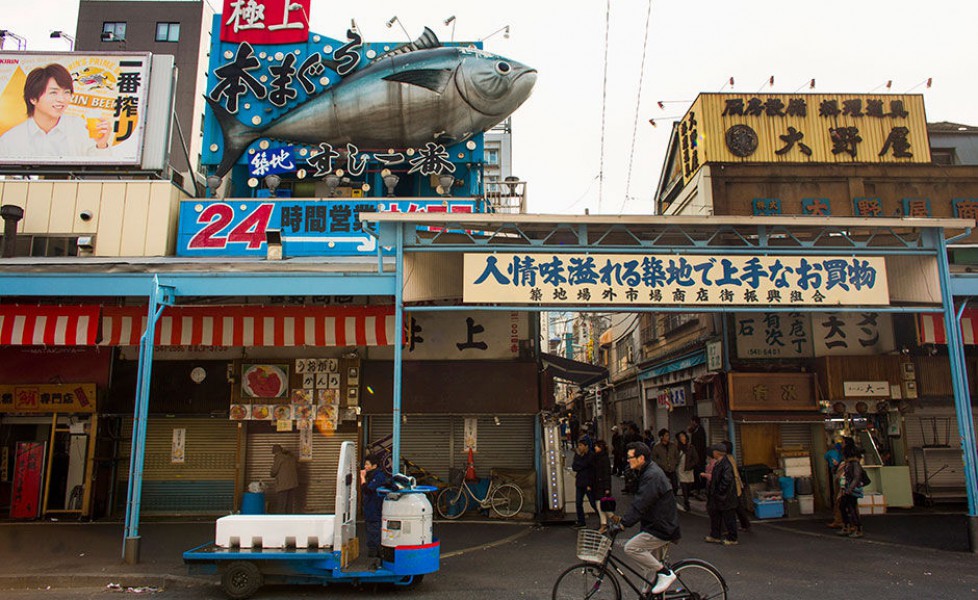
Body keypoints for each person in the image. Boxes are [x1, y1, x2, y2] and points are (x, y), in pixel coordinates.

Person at [608, 442, 681, 597]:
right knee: (649, 570)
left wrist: (623, 524)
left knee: (632, 548)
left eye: (630, 457)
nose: (627, 460)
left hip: (661, 527)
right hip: (656, 524)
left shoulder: (652, 476)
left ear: (640, 458)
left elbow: (641, 504)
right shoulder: (646, 471)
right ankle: (650, 591)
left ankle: (666, 574)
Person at [0, 63, 112, 159]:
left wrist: (101, 144)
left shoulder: (80, 127)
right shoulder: (11, 139)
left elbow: (100, 173)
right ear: (33, 98)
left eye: (66, 92)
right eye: (53, 93)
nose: (61, 99)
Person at [704, 444, 740, 546]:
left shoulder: (726, 465)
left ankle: (732, 538)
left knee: (729, 518)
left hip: (726, 497)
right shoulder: (719, 463)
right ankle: (715, 535)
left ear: (716, 452)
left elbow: (726, 481)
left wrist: (718, 491)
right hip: (719, 497)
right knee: (715, 517)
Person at [360, 453, 389, 557]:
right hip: (370, 508)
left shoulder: (378, 476)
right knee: (371, 529)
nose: (365, 466)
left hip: (375, 509)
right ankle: (374, 552)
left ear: (374, 466)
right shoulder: (372, 475)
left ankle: (376, 553)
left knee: (375, 530)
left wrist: (362, 478)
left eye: (367, 464)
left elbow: (367, 490)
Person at [838, 444, 866, 538]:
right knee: (845, 506)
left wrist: (850, 489)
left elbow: (856, 477)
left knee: (850, 507)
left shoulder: (854, 464)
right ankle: (849, 526)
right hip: (849, 488)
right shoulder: (850, 464)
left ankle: (856, 528)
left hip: (852, 489)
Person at [571, 437, 597, 529]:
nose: (579, 447)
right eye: (579, 445)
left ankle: (602, 519)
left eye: (581, 445)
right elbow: (574, 467)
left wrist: (580, 464)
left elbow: (588, 466)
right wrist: (580, 463)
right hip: (580, 482)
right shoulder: (577, 455)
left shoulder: (591, 455)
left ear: (586, 446)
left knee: (593, 502)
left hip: (588, 483)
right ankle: (581, 521)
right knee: (578, 503)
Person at [270, 444, 299, 513]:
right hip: (292, 484)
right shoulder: (291, 458)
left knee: (281, 505)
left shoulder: (279, 457)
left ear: (274, 451)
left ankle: (280, 521)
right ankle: (289, 520)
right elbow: (297, 466)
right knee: (289, 505)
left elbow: (274, 471)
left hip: (283, 485)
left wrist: (271, 473)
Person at [593, 439, 613, 533]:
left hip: (601, 485)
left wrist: (607, 487)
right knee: (602, 505)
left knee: (600, 505)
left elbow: (606, 474)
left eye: (596, 446)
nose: (595, 448)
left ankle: (605, 524)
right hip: (599, 485)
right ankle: (613, 520)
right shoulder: (599, 457)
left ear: (600, 448)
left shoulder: (603, 459)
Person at [675, 431, 699, 511]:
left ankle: (687, 497)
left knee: (689, 485)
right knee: (683, 484)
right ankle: (686, 501)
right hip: (680, 468)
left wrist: (691, 465)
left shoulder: (690, 447)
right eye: (680, 436)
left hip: (689, 468)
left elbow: (696, 458)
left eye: (683, 436)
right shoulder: (677, 447)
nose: (682, 438)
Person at [824, 438, 845, 528]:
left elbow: (826, 457)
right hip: (842, 479)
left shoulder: (831, 453)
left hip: (838, 476)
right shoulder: (841, 455)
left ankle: (839, 520)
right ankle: (844, 521)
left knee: (839, 499)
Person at [687, 416, 708, 495]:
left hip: (700, 457)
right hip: (696, 457)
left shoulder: (700, 430)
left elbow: (700, 445)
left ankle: (701, 488)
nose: (691, 424)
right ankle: (696, 487)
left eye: (692, 422)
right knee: (696, 472)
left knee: (700, 472)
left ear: (695, 422)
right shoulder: (695, 430)